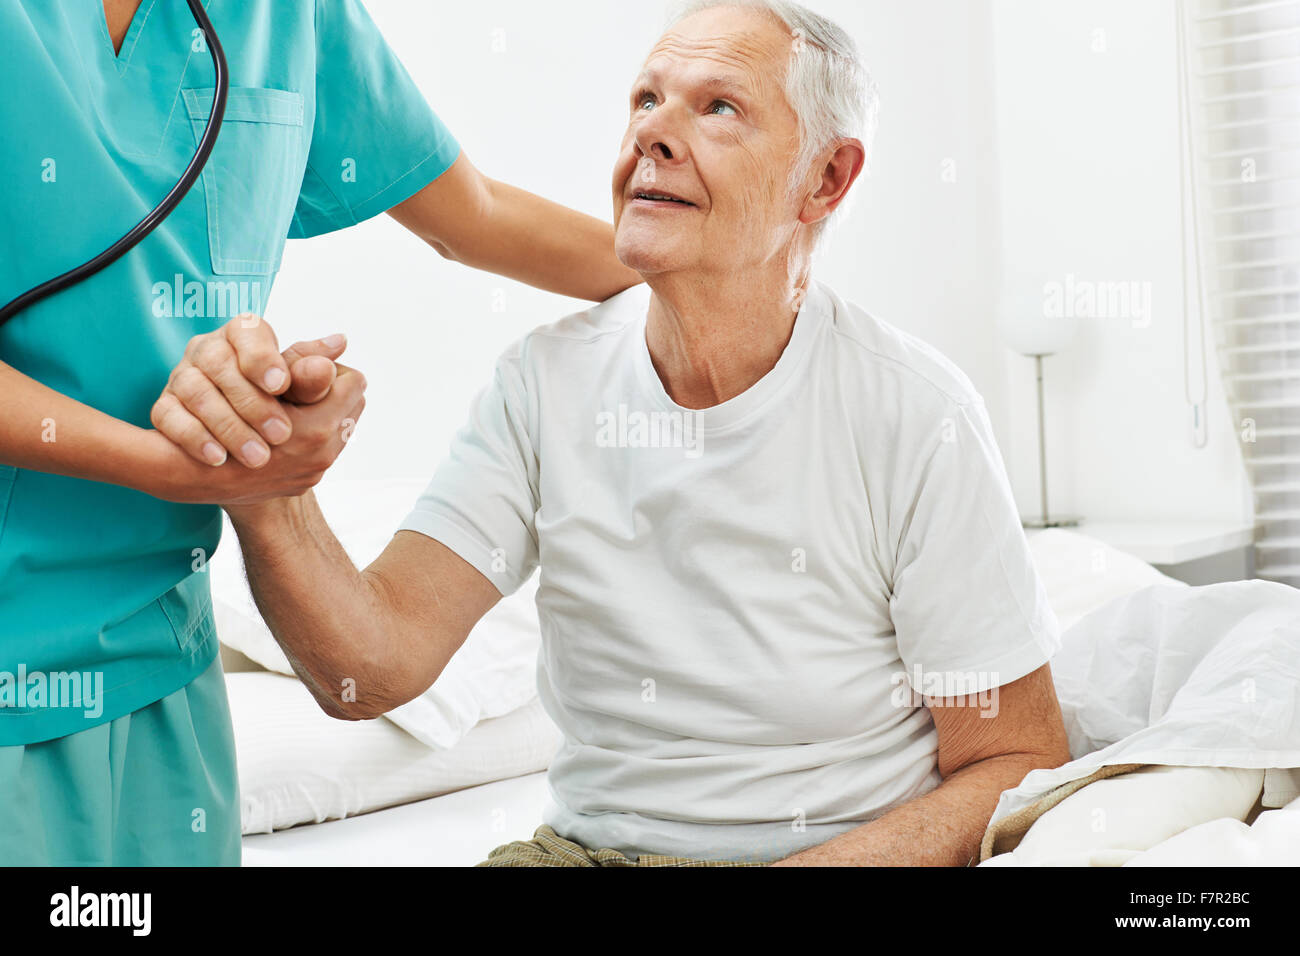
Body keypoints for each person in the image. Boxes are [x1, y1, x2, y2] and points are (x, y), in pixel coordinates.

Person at [175, 0, 1074, 866]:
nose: (653, 133)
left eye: (719, 107)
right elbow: (372, 671)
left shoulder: (916, 412)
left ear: (826, 179)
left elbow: (1013, 759)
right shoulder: (543, 383)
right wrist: (270, 492)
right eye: (646, 99)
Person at [0, 0, 640, 866]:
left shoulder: (287, 16)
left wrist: (704, 276)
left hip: (157, 660)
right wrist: (186, 469)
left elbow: (475, 215)